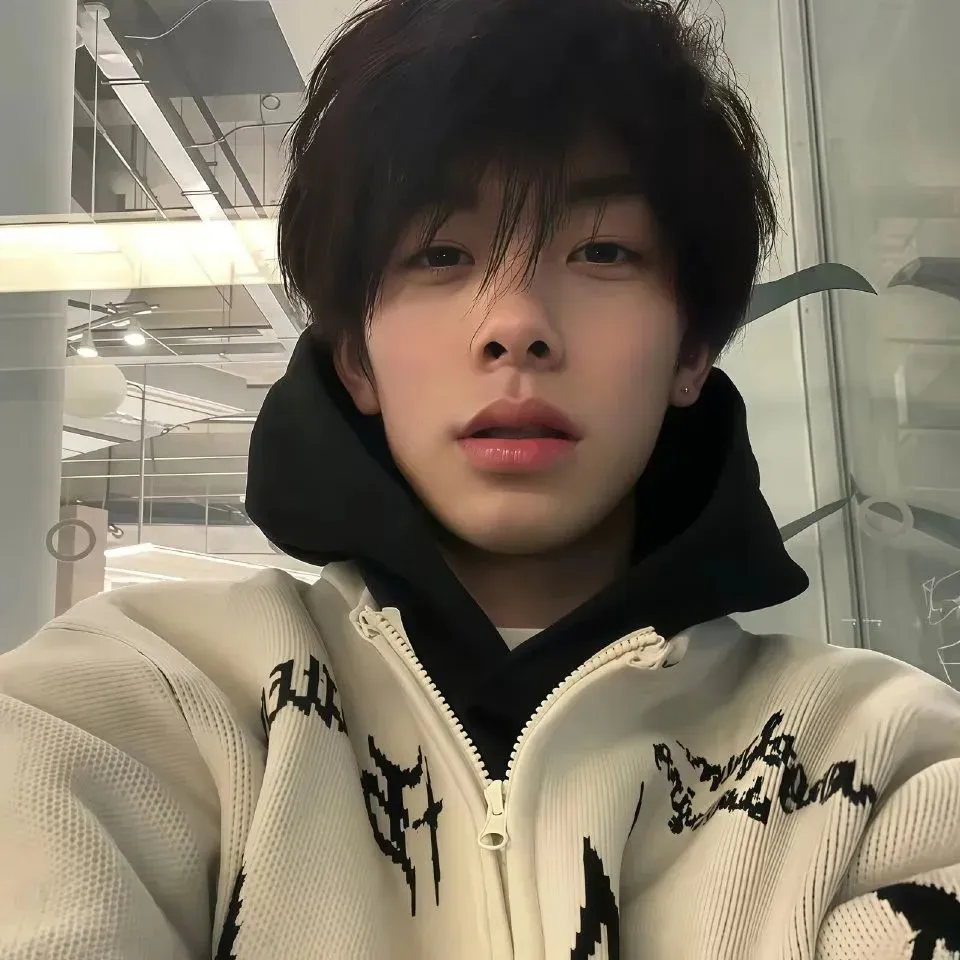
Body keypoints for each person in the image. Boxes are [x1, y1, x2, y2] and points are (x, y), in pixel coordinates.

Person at [2, 0, 960, 957]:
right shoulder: (145, 703)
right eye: (441, 254)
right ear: (355, 360)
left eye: (602, 251)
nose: (516, 326)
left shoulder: (883, 765)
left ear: (691, 351)